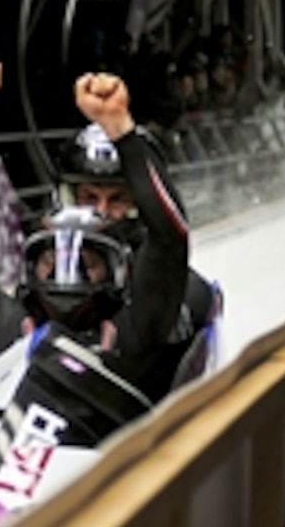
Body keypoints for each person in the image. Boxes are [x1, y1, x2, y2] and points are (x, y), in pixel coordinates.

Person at [0, 56, 190, 419]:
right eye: (53, 261)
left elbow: (169, 236)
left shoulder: (141, 320)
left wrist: (121, 129)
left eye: (87, 264)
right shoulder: (8, 326)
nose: (67, 276)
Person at [57, 120, 222, 393]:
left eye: (117, 199)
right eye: (89, 197)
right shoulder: (48, 274)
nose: (102, 212)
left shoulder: (185, 294)